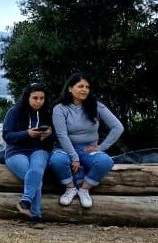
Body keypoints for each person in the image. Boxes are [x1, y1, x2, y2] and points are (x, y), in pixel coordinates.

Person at [48, 72, 124, 209]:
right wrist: (74, 157)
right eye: (80, 86)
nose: (84, 89)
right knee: (56, 161)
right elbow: (62, 135)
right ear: (70, 89)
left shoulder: (96, 106)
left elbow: (117, 127)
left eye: (87, 87)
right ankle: (70, 188)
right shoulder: (60, 109)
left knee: (105, 161)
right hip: (65, 148)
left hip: (88, 149)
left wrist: (101, 148)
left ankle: (84, 189)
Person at [2, 83, 54, 228]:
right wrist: (27, 133)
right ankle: (36, 216)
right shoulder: (14, 112)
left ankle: (25, 201)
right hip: (16, 151)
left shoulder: (47, 113)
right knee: (34, 177)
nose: (38, 101)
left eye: (41, 98)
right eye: (35, 98)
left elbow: (55, 137)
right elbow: (7, 135)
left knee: (36, 170)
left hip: (40, 149)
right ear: (27, 98)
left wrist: (49, 134)